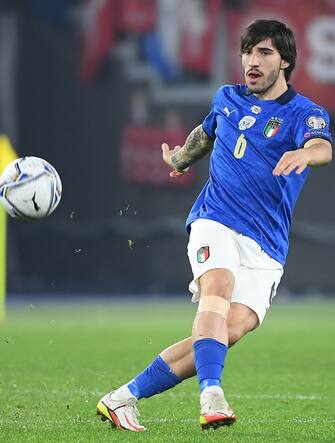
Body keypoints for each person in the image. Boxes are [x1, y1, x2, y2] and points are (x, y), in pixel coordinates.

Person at [96, 19, 332, 432]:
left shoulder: (304, 112)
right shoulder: (226, 98)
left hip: (267, 244)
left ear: (286, 61)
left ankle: (122, 398)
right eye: (248, 51)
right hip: (215, 220)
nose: (252, 61)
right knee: (216, 293)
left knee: (229, 330)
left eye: (264, 53)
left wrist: (306, 155)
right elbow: (205, 135)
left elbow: (322, 146)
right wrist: (180, 159)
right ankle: (212, 395)